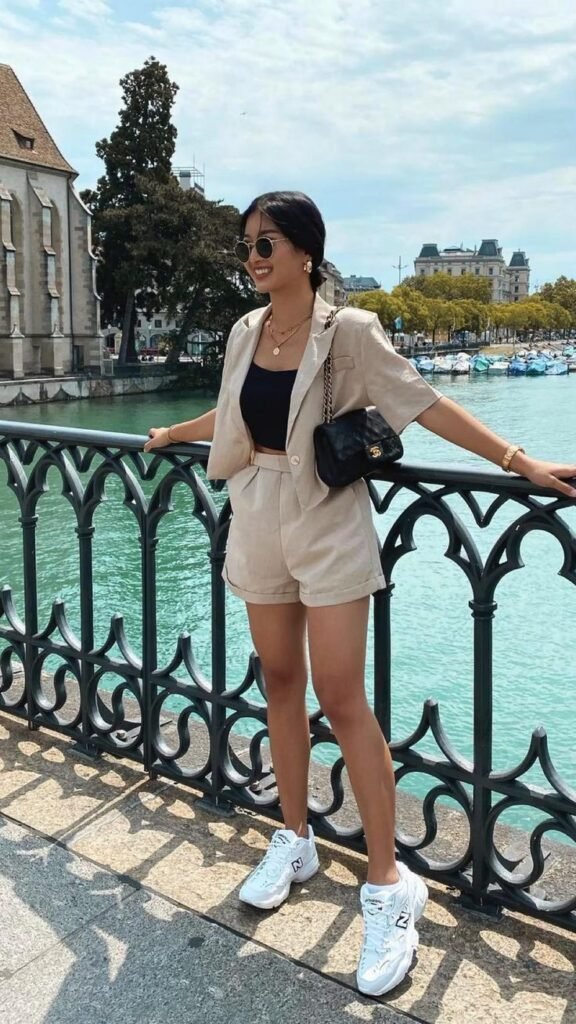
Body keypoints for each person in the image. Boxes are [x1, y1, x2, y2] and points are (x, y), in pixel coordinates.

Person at [144, 191, 576, 998]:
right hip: (256, 510)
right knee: (280, 680)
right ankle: (295, 836)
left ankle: (388, 883)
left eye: (266, 244)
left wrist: (519, 462)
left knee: (342, 696)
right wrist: (173, 433)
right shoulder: (246, 330)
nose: (253, 257)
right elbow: (233, 413)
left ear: (307, 252)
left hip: (328, 517)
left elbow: (424, 401)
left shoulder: (349, 331)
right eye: (247, 244)